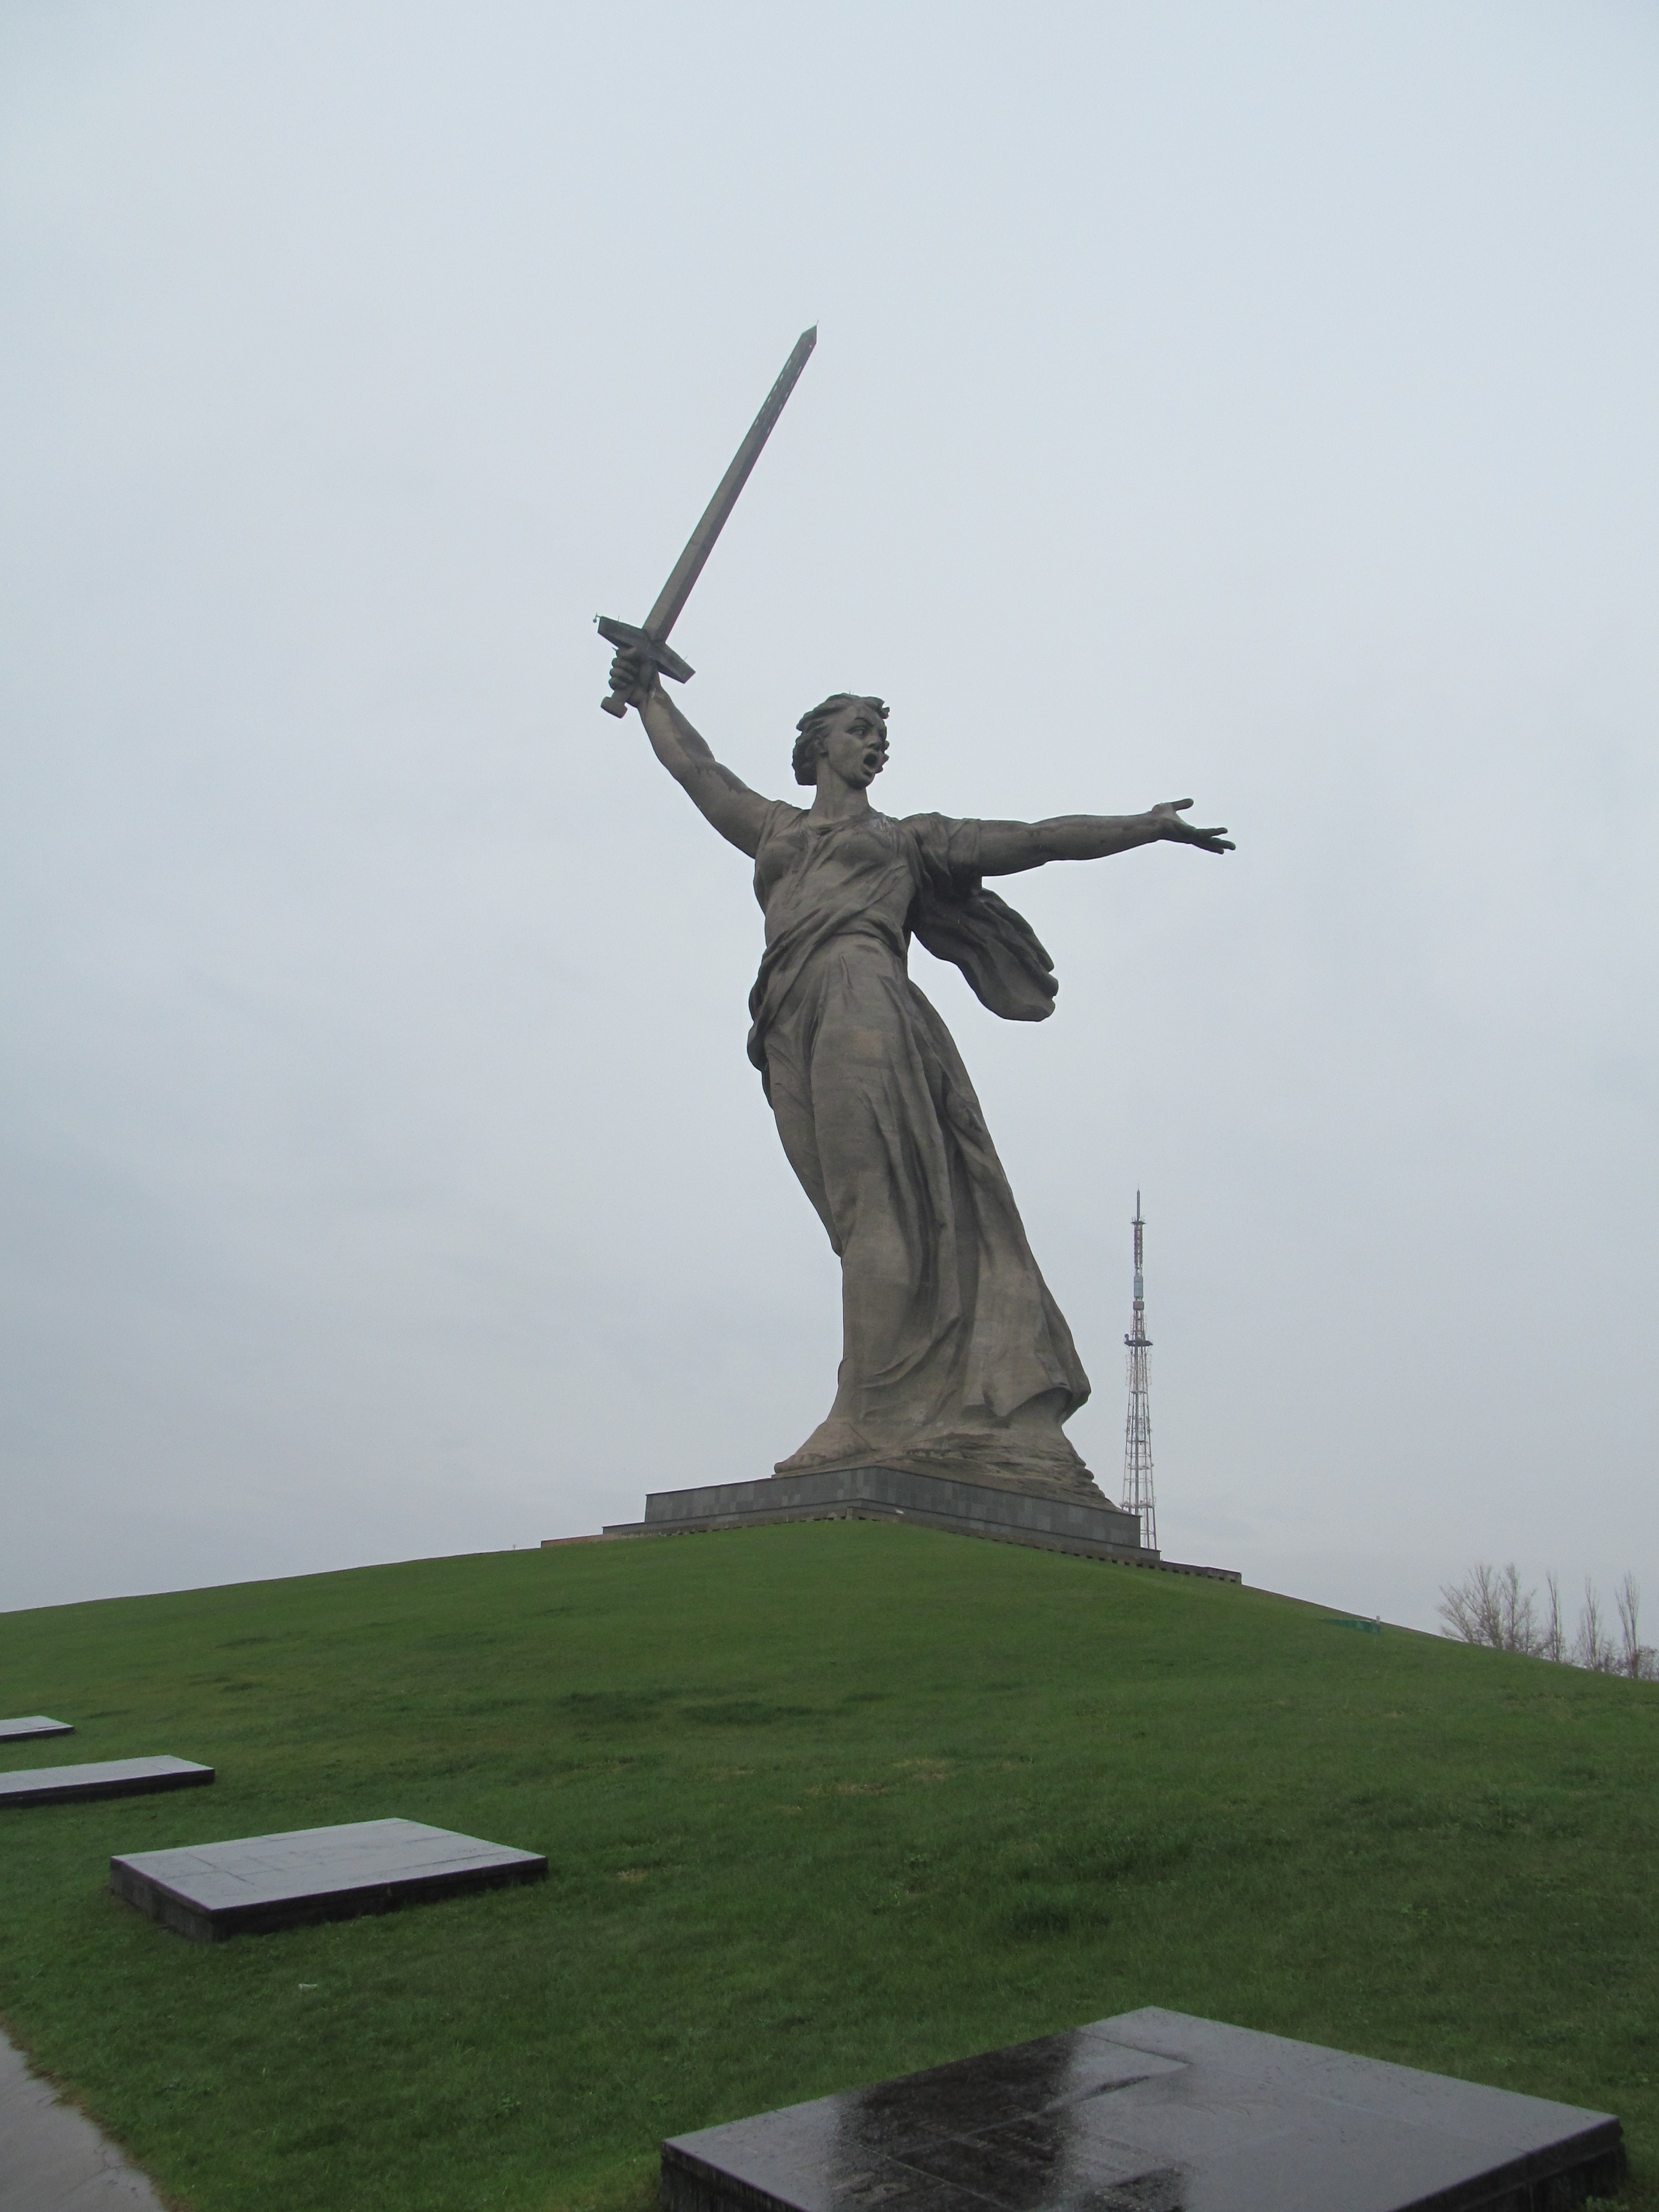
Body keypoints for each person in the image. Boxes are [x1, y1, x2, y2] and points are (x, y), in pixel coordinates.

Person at [608, 647, 1232, 1500]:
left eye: (881, 736)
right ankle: (901, 1398)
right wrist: (648, 694)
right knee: (849, 1218)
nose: (876, 744)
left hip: (862, 995)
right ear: (818, 745)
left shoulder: (906, 841)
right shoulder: (775, 829)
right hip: (784, 1015)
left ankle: (864, 1411)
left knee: (875, 1205)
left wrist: (1145, 826)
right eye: (860, 730)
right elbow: (699, 771)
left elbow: (1037, 841)